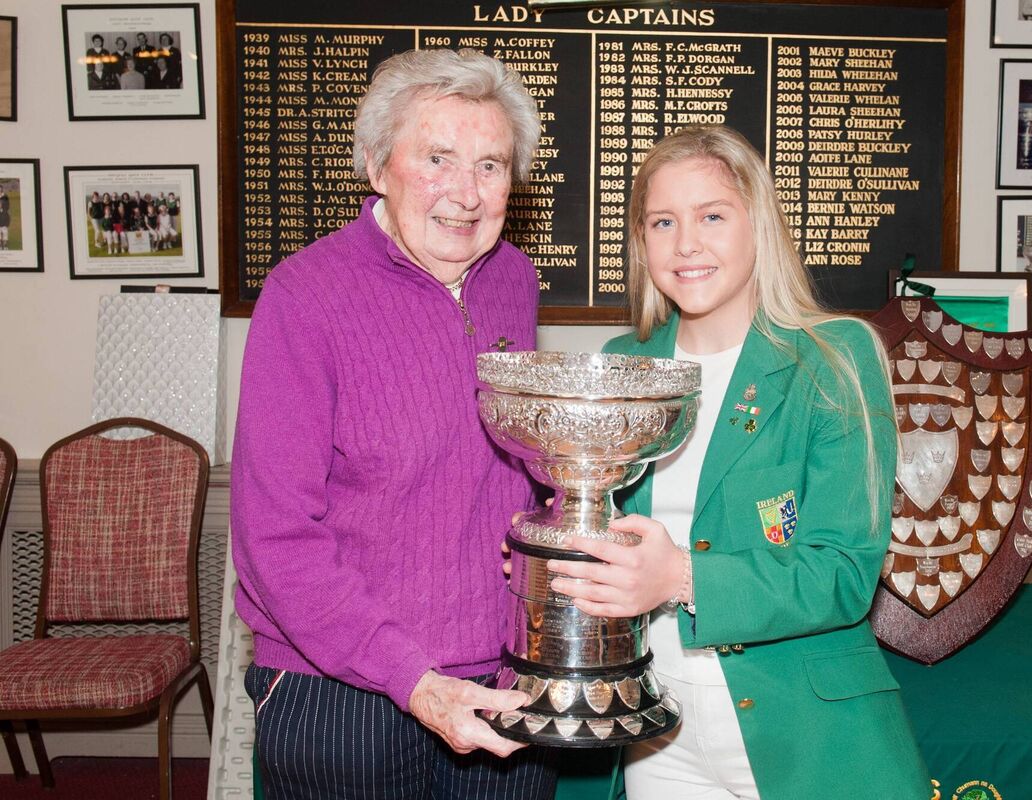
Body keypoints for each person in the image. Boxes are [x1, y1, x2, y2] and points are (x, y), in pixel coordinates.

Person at [544, 126, 930, 799]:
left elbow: (842, 573)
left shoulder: (836, 357)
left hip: (799, 729)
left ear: (760, 227)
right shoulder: (619, 364)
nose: (686, 243)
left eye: (712, 216)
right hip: (652, 727)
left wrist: (681, 576)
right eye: (663, 221)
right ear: (641, 241)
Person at [231, 48, 556, 799]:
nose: (466, 194)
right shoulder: (302, 297)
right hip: (339, 689)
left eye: (491, 165)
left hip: (503, 672)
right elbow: (274, 538)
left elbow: (515, 471)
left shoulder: (514, 279)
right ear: (378, 167)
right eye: (437, 158)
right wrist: (412, 679)